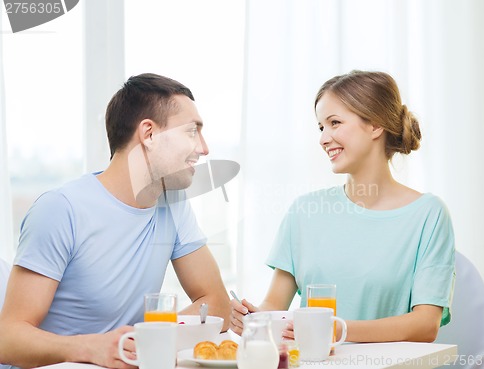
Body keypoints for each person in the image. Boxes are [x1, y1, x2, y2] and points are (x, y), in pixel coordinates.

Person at [0, 73, 231, 369]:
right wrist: (90, 347)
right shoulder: (61, 209)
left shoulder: (173, 205)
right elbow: (8, 338)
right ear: (148, 134)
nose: (204, 148)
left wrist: (143, 341)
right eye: (191, 132)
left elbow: (217, 304)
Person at [230, 70, 455, 343]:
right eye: (321, 127)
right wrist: (253, 319)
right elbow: (274, 307)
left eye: (334, 123)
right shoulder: (305, 211)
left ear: (375, 125)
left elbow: (425, 325)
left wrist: (340, 330)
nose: (324, 138)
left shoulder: (427, 215)